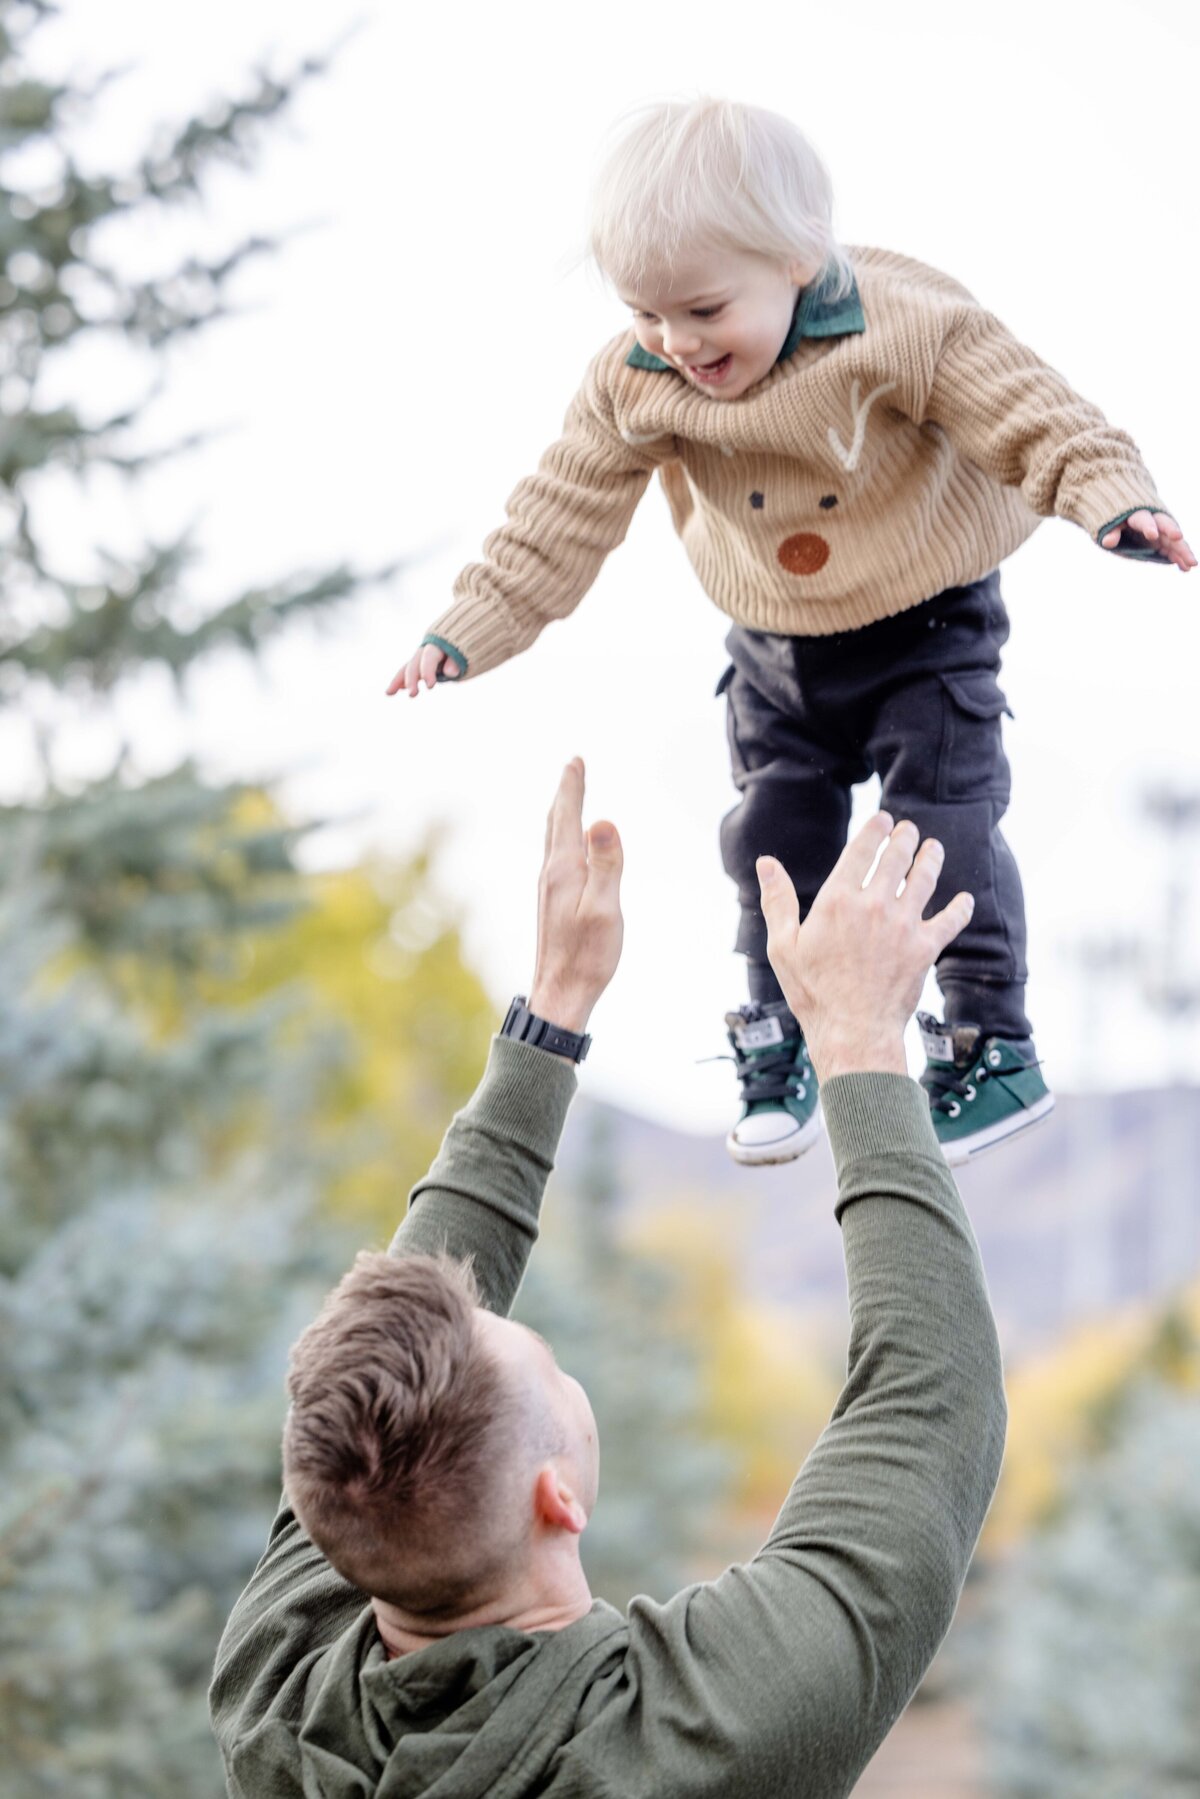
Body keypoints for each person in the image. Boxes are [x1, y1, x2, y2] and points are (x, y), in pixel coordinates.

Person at [386, 98, 1194, 1170]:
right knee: (771, 830)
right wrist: (469, 627)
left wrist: (1112, 499)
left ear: (799, 260)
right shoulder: (635, 382)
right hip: (775, 644)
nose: (678, 343)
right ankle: (783, 1030)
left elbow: (1035, 412)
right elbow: (560, 511)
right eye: (647, 315)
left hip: (930, 623)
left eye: (706, 309)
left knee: (937, 827)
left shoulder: (905, 323)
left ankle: (990, 1037)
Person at [210, 758, 1007, 1799]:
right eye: (539, 1358)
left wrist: (552, 1014)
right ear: (559, 1495)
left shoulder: (275, 1708)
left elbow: (378, 1373)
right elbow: (930, 1401)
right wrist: (858, 1040)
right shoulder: (701, 1735)